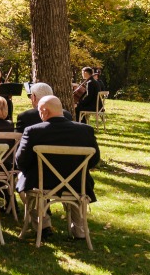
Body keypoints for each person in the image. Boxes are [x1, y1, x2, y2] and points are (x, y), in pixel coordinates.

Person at [15, 95, 100, 240]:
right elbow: (94, 160)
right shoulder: (85, 130)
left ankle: (43, 224)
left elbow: (21, 162)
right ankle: (79, 230)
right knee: (78, 182)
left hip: (42, 184)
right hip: (76, 183)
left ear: (44, 112)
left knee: (22, 179)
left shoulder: (32, 131)